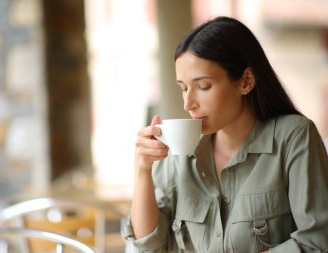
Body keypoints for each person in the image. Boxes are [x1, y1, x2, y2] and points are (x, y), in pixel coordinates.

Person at [123, 16, 328, 253]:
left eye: (203, 86)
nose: (188, 103)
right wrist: (142, 170)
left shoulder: (293, 137)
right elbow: (150, 246)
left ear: (246, 81)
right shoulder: (177, 151)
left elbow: (316, 242)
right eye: (183, 88)